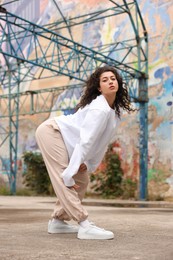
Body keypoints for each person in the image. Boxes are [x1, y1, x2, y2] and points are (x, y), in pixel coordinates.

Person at [35, 65, 133, 240]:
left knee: (81, 179)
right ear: (98, 87)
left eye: (113, 79)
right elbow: (86, 141)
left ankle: (58, 221)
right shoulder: (99, 109)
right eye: (105, 80)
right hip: (52, 132)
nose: (110, 82)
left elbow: (100, 144)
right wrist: (70, 171)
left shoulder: (112, 112)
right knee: (63, 178)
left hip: (65, 140)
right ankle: (84, 224)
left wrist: (86, 164)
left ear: (118, 83)